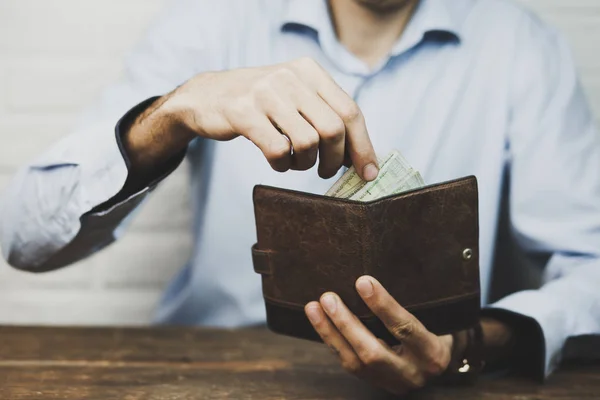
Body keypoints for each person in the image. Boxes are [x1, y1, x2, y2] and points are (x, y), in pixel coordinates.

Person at [1, 0, 600, 395]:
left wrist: (473, 344)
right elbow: (23, 236)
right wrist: (172, 114)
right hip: (212, 374)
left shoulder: (523, 47)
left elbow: (592, 269)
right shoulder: (212, 24)